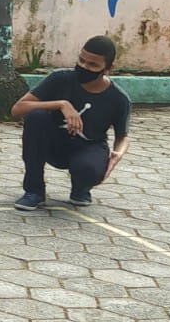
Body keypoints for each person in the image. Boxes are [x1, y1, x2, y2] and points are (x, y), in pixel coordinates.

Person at [11, 35, 132, 210]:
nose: (84, 67)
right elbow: (18, 109)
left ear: (108, 68)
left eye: (93, 65)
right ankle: (34, 191)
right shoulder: (60, 78)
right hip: (54, 144)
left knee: (89, 169)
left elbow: (123, 137)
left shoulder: (119, 99)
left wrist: (118, 154)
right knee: (36, 116)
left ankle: (81, 188)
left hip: (87, 147)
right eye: (82, 60)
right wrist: (61, 104)